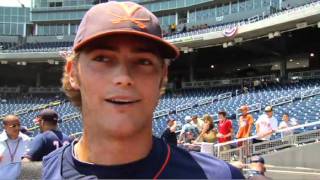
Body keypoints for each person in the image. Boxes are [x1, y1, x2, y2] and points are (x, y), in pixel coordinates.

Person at [42, 1, 244, 179]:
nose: (123, 78)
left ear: (162, 76)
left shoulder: (220, 177)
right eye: (102, 58)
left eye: (143, 61)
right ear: (73, 73)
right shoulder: (24, 175)